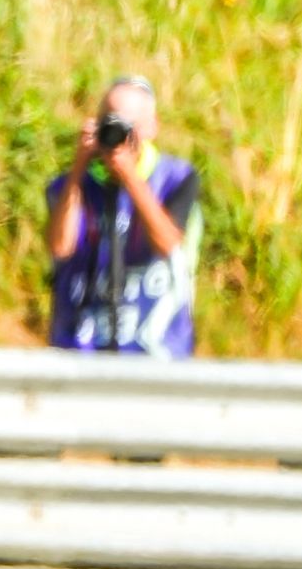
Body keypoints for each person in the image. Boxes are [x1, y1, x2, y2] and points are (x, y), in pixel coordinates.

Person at [46, 76, 202, 359]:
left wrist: (129, 175)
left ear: (152, 127)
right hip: (80, 352)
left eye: (129, 124)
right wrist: (79, 166)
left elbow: (167, 244)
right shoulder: (70, 185)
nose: (118, 134)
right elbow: (60, 246)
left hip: (156, 354)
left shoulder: (176, 178)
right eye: (109, 121)